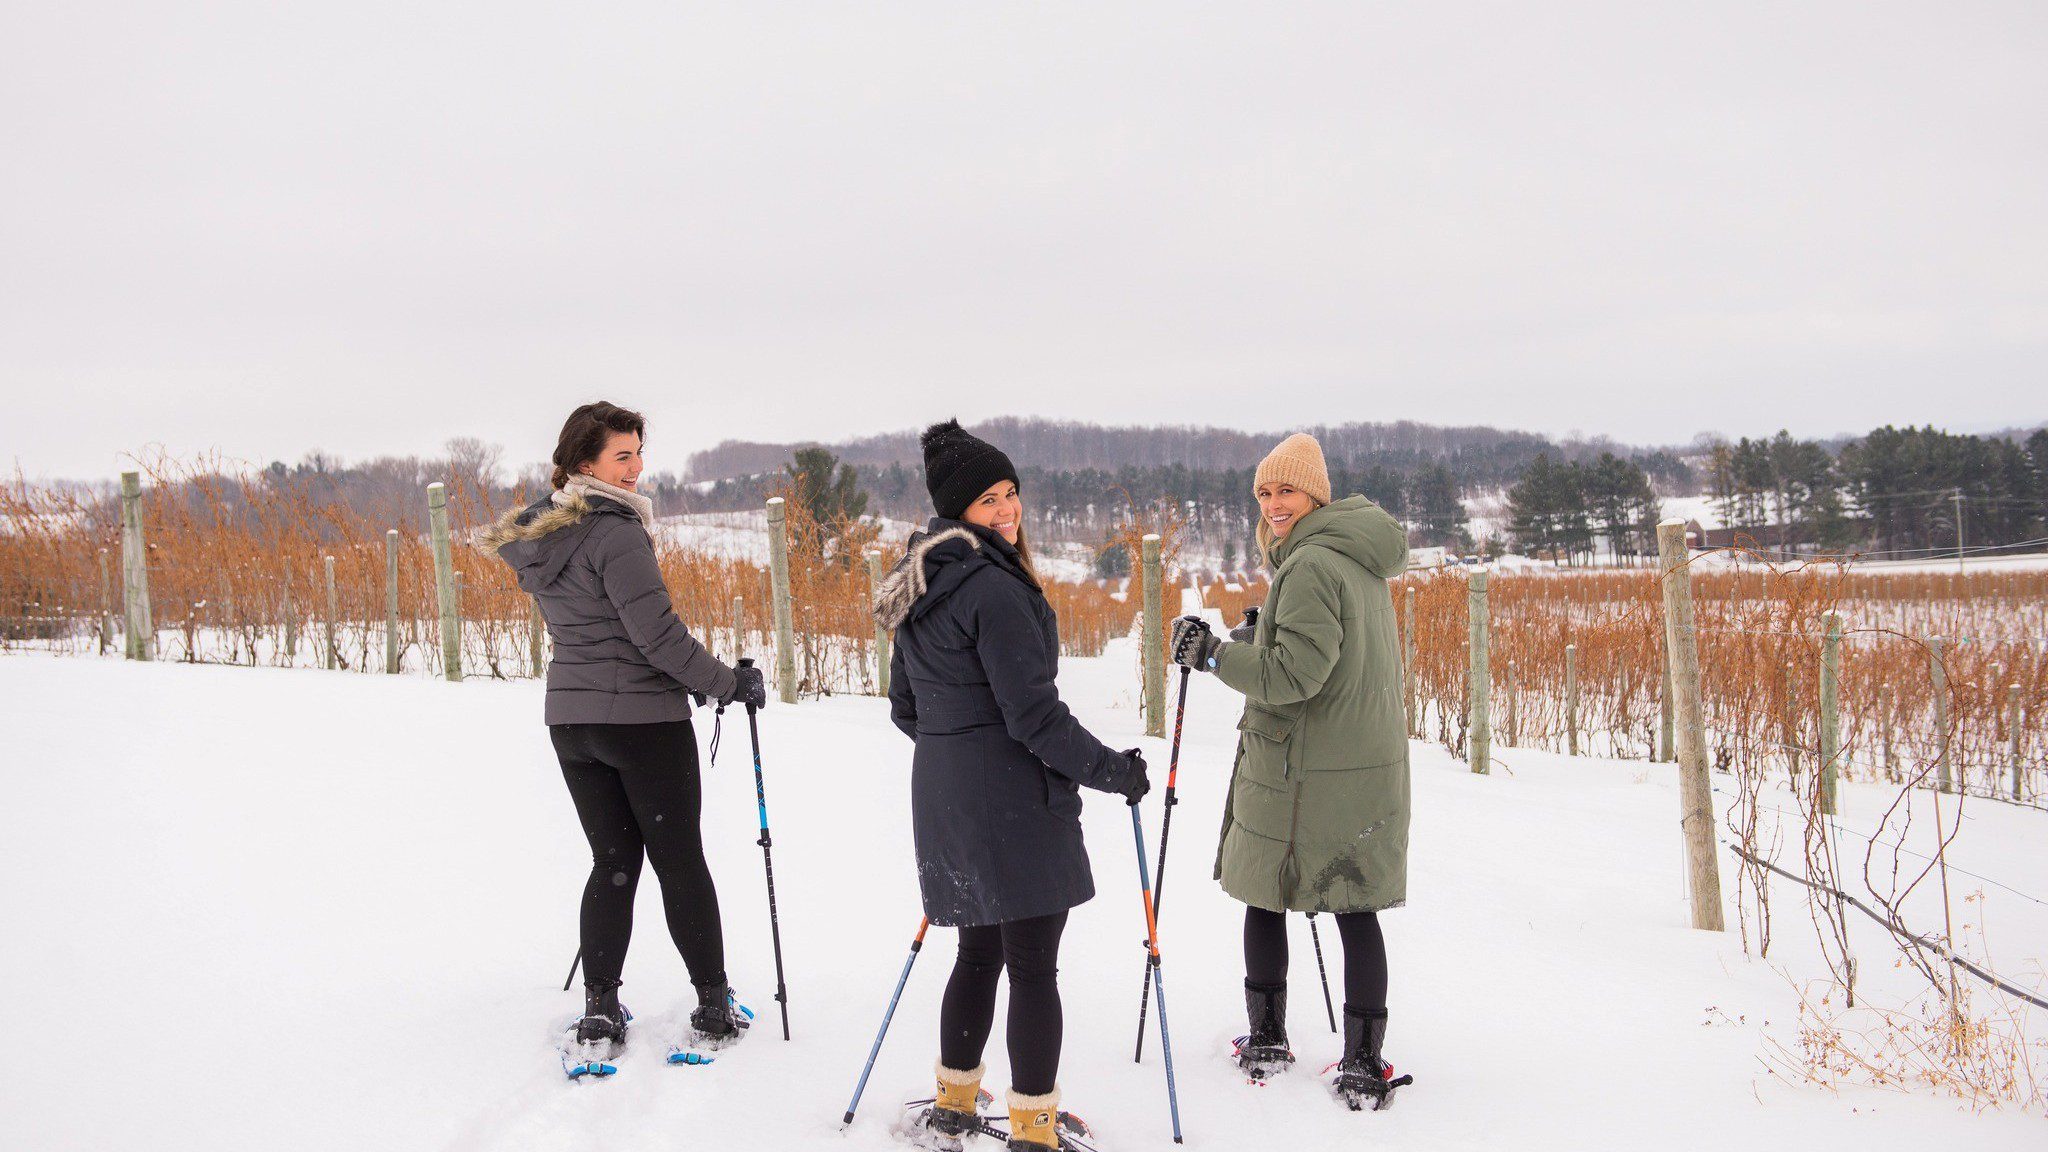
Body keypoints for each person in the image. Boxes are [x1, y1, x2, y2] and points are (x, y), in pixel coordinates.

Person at [874, 420, 1150, 1151]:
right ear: (956, 510)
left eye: (1011, 494)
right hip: (1011, 802)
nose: (1006, 511)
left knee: (976, 954)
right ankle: (1034, 1127)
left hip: (946, 797)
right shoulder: (992, 589)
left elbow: (907, 708)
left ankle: (956, 1103)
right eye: (988, 500)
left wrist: (959, 754)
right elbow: (1035, 718)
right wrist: (1115, 771)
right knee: (1030, 967)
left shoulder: (922, 577)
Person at [480, 401, 767, 1062]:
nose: (637, 468)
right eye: (622, 455)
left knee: (613, 862)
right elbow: (657, 637)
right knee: (678, 861)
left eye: (638, 453)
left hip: (574, 723)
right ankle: (713, 1002)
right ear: (586, 463)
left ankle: (601, 1008)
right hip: (643, 724)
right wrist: (728, 683)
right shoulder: (615, 532)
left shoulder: (545, 533)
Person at [1168, 431, 1415, 1110]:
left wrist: (1215, 655)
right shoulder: (1353, 555)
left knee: (1265, 889)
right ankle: (1365, 1060)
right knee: (1355, 903)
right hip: (1360, 764)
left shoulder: (1308, 565)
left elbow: (1293, 676)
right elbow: (1329, 652)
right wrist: (1263, 632)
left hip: (1303, 766)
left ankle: (1268, 1040)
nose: (1274, 504)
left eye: (1286, 491)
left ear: (1316, 494)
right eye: (1265, 492)